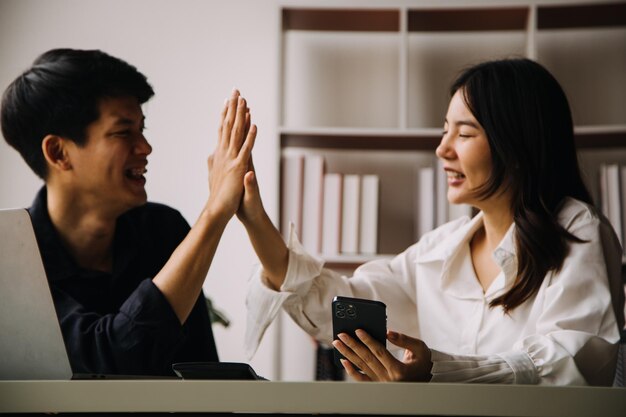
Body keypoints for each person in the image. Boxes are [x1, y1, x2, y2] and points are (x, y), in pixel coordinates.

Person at [237, 58, 624, 385]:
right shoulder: (438, 249)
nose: (442, 149)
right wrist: (255, 219)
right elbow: (339, 304)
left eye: (465, 133)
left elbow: (574, 362)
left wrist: (440, 371)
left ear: (517, 144)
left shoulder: (577, 231)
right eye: (444, 131)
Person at [0, 48, 256, 376]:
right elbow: (110, 360)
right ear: (58, 152)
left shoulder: (164, 229)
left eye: (142, 128)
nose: (145, 148)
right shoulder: (11, 259)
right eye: (124, 132)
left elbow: (203, 380)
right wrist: (215, 211)